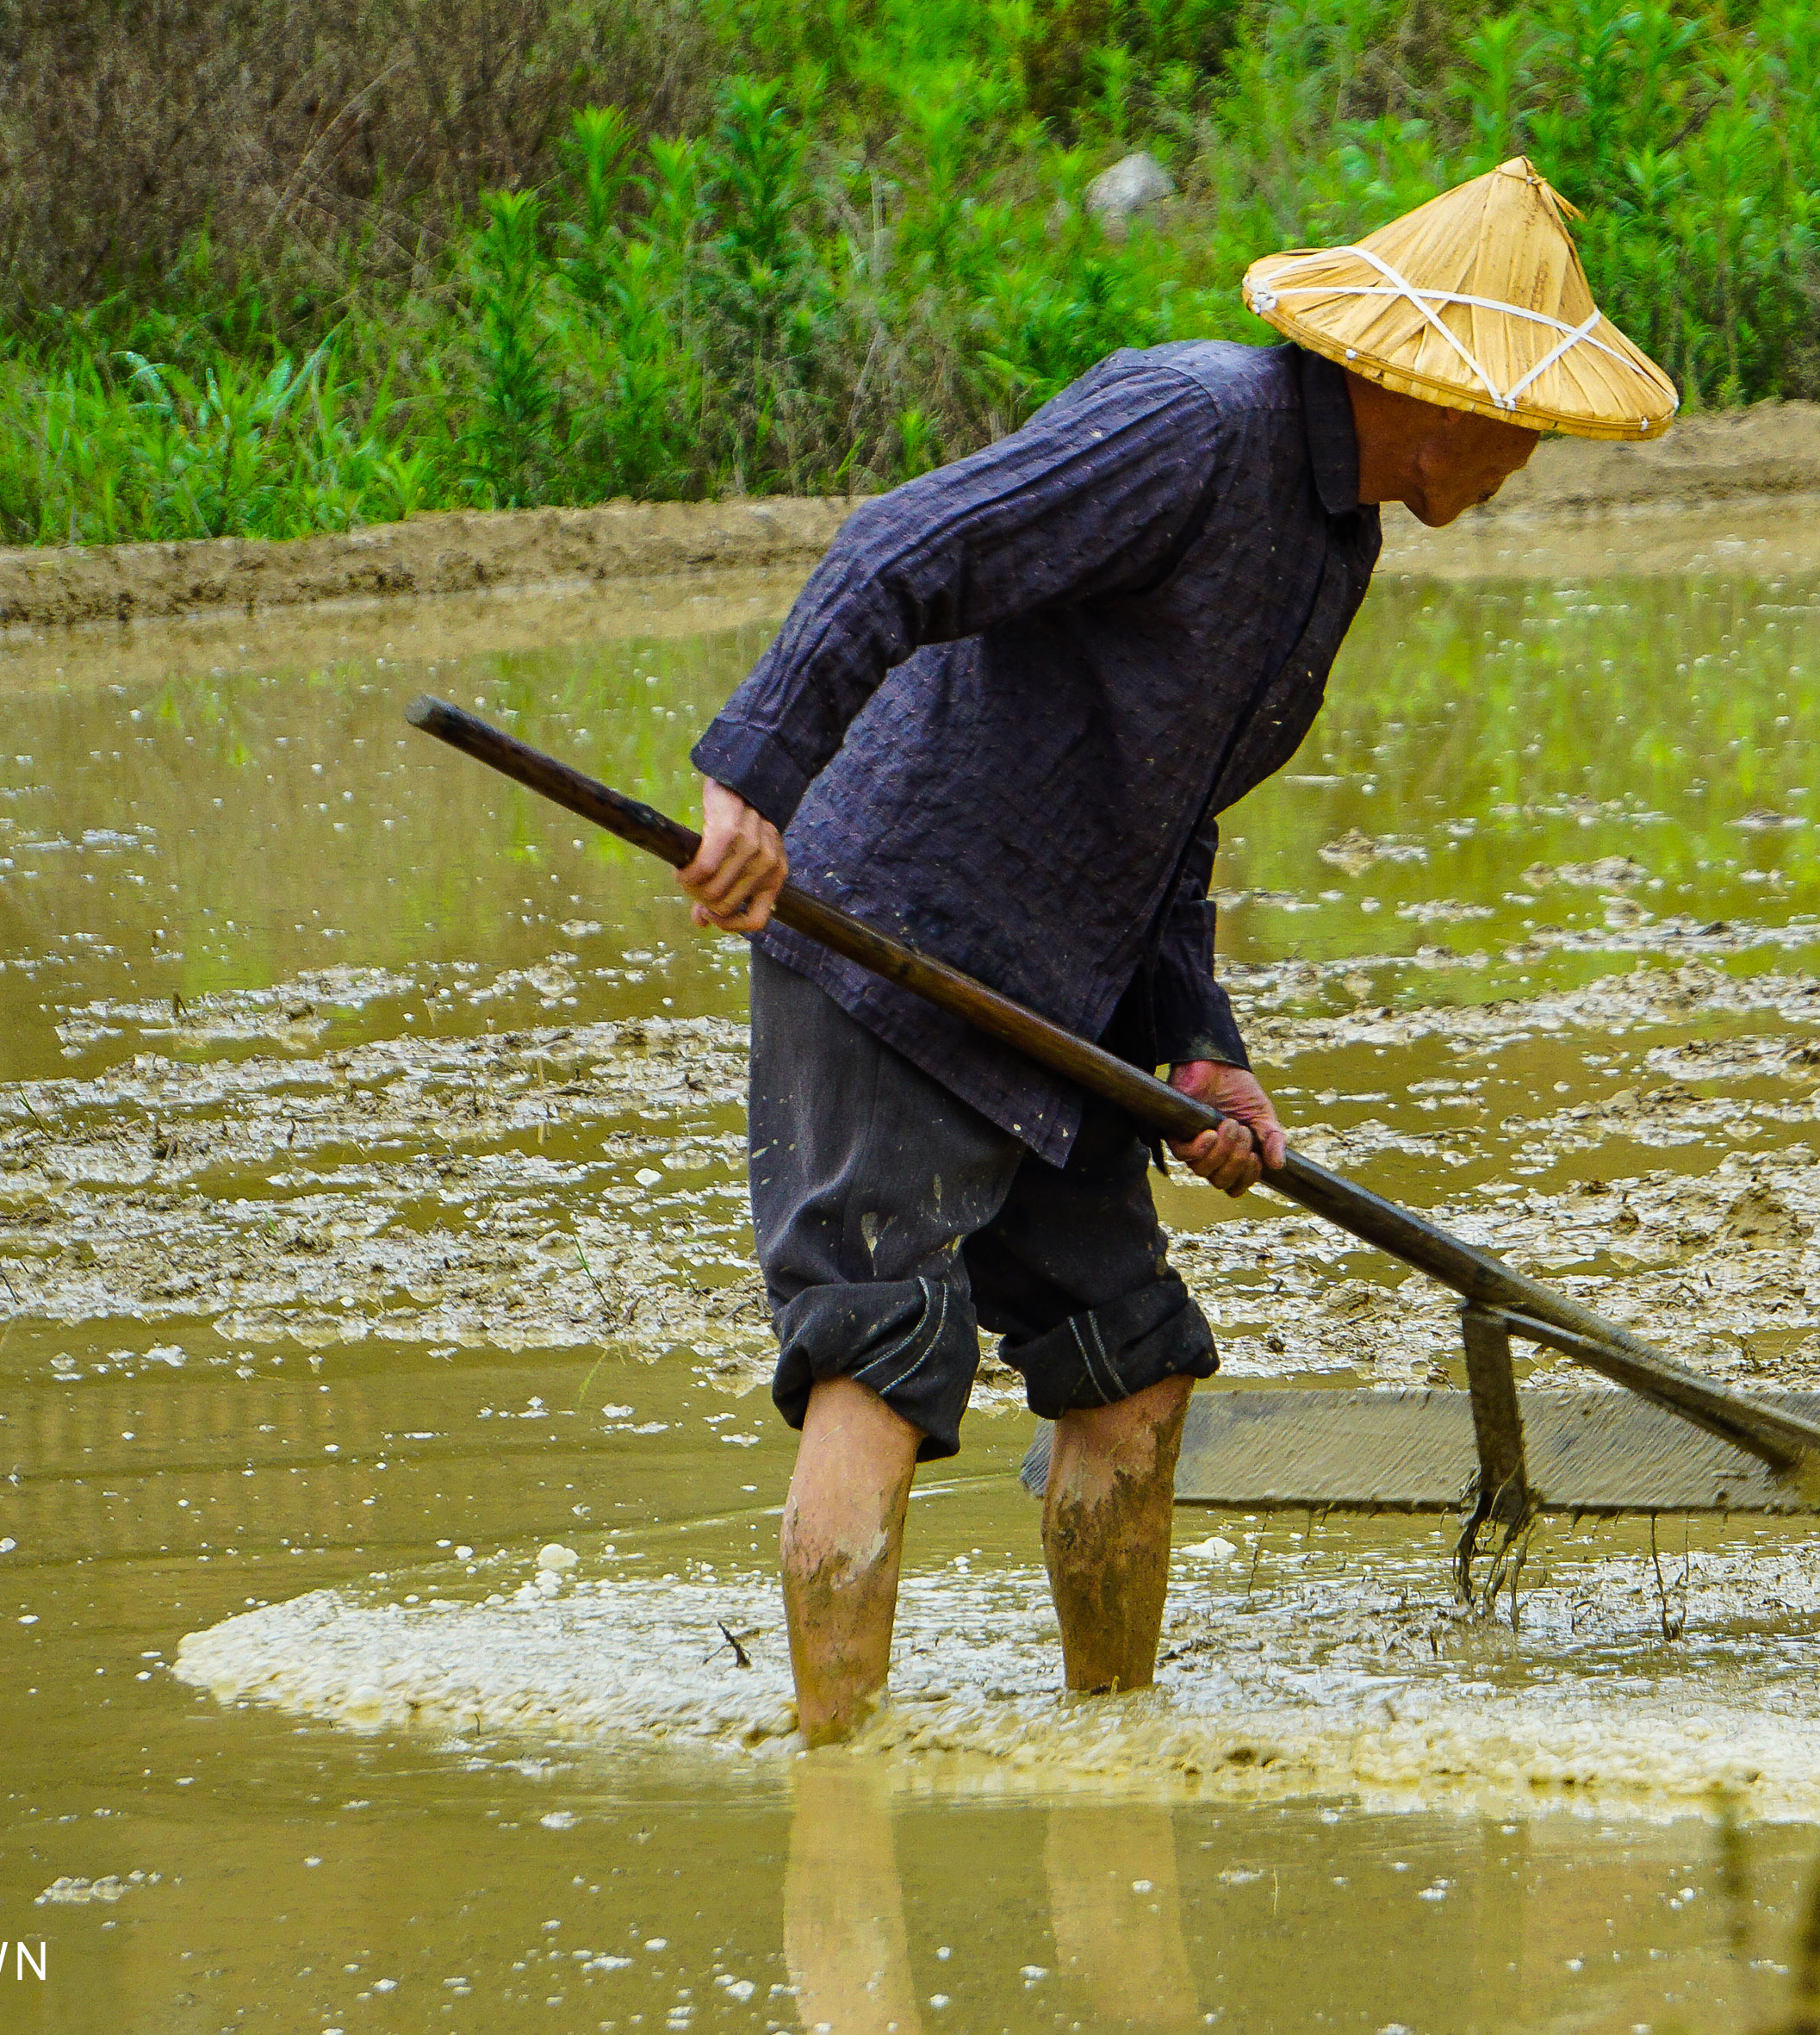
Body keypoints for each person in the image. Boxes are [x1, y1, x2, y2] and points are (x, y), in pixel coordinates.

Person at [675, 159, 1678, 1743]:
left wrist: (1200, 1043)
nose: (1523, 460)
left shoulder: (1333, 539)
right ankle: (834, 1781)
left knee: (1129, 1370)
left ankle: (1110, 1742)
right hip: (891, 942)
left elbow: (1169, 810)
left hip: (1049, 991)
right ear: (1443, 402)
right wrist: (756, 780)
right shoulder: (1189, 427)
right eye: (1523, 427)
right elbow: (904, 544)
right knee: (879, 1351)